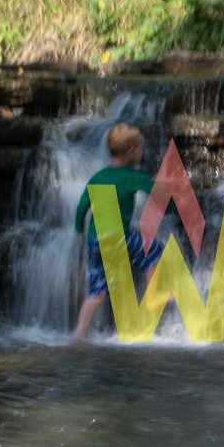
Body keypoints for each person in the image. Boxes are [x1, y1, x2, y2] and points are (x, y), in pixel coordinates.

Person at [73, 122, 164, 340]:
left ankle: (80, 332)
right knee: (154, 249)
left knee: (97, 290)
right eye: (141, 148)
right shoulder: (135, 177)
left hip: (95, 240)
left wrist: (78, 229)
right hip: (117, 239)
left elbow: (82, 206)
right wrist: (173, 205)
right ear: (131, 151)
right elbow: (159, 196)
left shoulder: (97, 177)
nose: (142, 152)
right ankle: (153, 294)